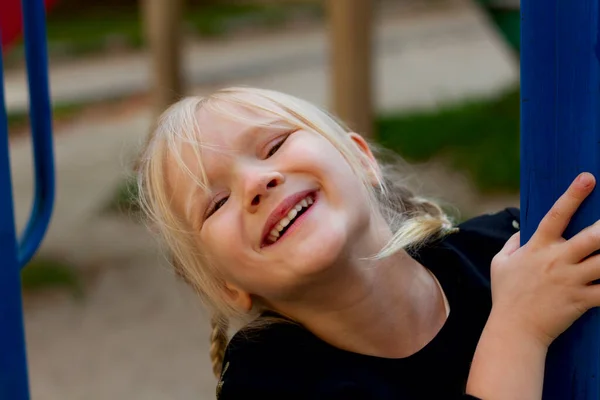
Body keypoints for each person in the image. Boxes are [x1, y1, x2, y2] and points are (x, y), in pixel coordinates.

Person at [136, 86, 600, 399]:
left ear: (360, 159)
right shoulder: (269, 384)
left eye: (274, 145)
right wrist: (520, 328)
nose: (257, 182)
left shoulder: (508, 250)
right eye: (216, 202)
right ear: (224, 287)